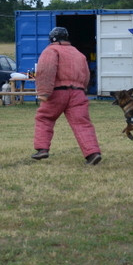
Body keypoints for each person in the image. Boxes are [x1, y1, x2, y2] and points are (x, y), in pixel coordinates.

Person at [31, 27, 102, 165]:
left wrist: (44, 92)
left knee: (45, 118)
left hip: (57, 92)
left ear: (52, 38)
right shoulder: (78, 53)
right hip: (78, 92)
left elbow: (46, 70)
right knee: (82, 124)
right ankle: (93, 153)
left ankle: (42, 149)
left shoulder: (51, 50)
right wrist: (83, 89)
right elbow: (86, 74)